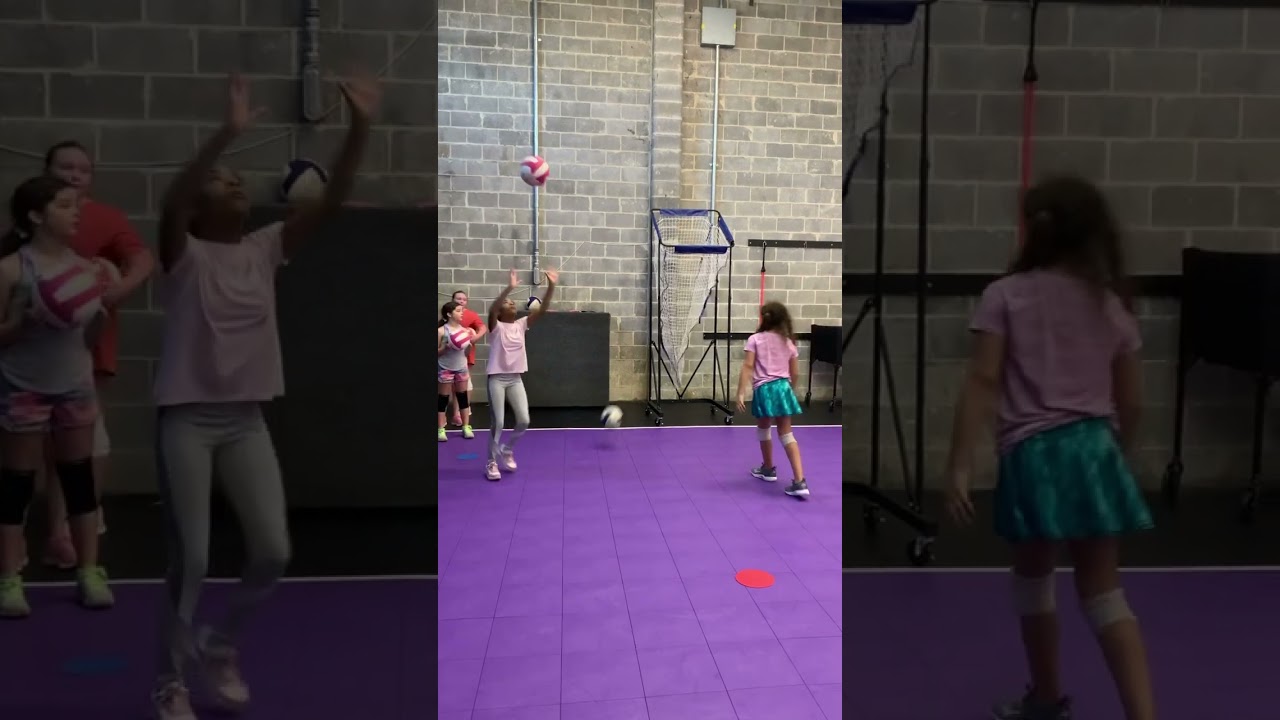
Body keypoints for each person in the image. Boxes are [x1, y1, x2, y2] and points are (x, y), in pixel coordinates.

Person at [148, 73, 378, 720]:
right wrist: (227, 133)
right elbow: (170, 204)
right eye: (222, 181)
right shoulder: (183, 255)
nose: (236, 182)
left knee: (273, 549)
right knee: (189, 559)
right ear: (199, 207)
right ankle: (167, 681)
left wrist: (361, 125)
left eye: (237, 178)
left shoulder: (264, 248)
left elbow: (331, 204)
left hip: (245, 421)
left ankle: (220, 645)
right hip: (187, 423)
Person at [943, 176, 1155, 720]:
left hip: (1034, 457)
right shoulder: (1109, 305)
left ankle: (1045, 696)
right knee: (1105, 594)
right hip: (1095, 451)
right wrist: (1115, 461)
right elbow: (1131, 402)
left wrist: (959, 467)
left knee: (1033, 581)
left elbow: (983, 382)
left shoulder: (1004, 296)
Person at [0, 176, 113, 617]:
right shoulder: (11, 269)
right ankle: (9, 578)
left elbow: (87, 338)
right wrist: (18, 325)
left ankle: (89, 571)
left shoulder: (85, 269)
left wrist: (99, 313)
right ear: (35, 215)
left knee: (79, 480)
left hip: (74, 385)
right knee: (15, 485)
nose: (76, 212)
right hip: (23, 387)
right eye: (65, 205)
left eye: (76, 205)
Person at [40, 139, 155, 569]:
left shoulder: (106, 219)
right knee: (52, 442)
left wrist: (116, 291)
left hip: (85, 349)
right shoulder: (29, 225)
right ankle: (58, 529)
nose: (73, 175)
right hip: (35, 353)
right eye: (64, 167)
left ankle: (77, 520)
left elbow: (142, 259)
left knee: (84, 437)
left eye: (82, 170)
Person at [483, 268, 555, 480]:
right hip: (497, 379)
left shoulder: (521, 324)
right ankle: (491, 462)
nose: (511, 303)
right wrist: (510, 288)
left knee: (523, 420)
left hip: (515, 379)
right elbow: (493, 307)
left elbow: (543, 310)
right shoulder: (495, 327)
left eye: (513, 301)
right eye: (508, 303)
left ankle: (507, 449)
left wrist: (551, 286)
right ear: (499, 312)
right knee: (498, 422)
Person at [735, 301, 809, 499]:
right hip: (783, 388)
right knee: (786, 434)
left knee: (764, 428)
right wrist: (789, 391)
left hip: (764, 390)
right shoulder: (789, 342)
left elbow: (748, 367)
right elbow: (795, 372)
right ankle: (799, 480)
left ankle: (768, 468)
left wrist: (740, 393)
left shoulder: (755, 339)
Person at [446, 289, 486, 430]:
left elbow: (482, 327)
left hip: (465, 356)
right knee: (451, 386)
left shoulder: (471, 315)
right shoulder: (447, 318)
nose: (461, 301)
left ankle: (462, 411)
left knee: (464, 384)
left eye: (464, 299)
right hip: (448, 358)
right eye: (458, 299)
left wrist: (475, 337)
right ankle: (456, 412)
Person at [438, 301, 476, 441]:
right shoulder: (441, 331)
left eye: (462, 310)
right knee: (443, 398)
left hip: (461, 367)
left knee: (462, 397)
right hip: (445, 368)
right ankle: (441, 428)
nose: (462, 313)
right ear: (449, 314)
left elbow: (466, 353)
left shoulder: (464, 331)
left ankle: (466, 426)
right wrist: (445, 348)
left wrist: (470, 342)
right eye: (459, 311)